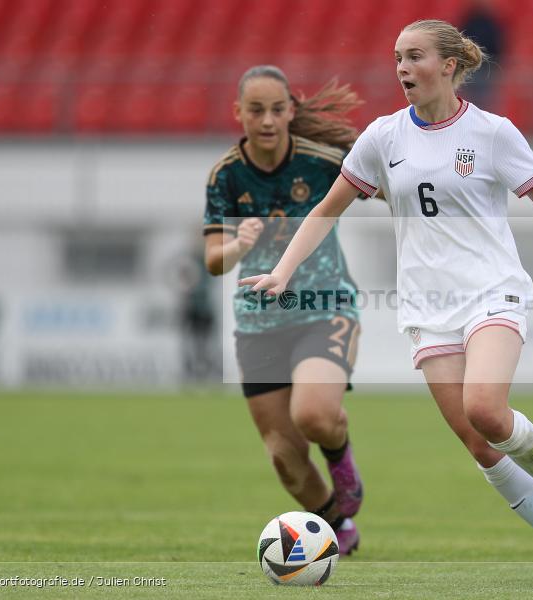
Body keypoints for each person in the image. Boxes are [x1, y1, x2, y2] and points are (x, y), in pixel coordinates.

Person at [240, 21, 533, 586]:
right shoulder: (384, 137)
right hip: (427, 306)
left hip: (492, 289)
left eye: (414, 57)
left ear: (451, 66)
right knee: (478, 444)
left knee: (486, 409)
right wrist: (283, 272)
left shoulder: (492, 133)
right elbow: (325, 210)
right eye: (397, 58)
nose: (402, 69)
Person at [204, 65, 365, 555]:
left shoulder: (322, 162)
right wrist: (237, 244)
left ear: (292, 111)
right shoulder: (226, 176)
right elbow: (213, 260)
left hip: (324, 307)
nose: (268, 120)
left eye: (277, 109)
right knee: (284, 458)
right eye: (256, 110)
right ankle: (337, 524)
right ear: (239, 113)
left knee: (315, 414)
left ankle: (342, 461)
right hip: (259, 326)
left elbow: (387, 182)